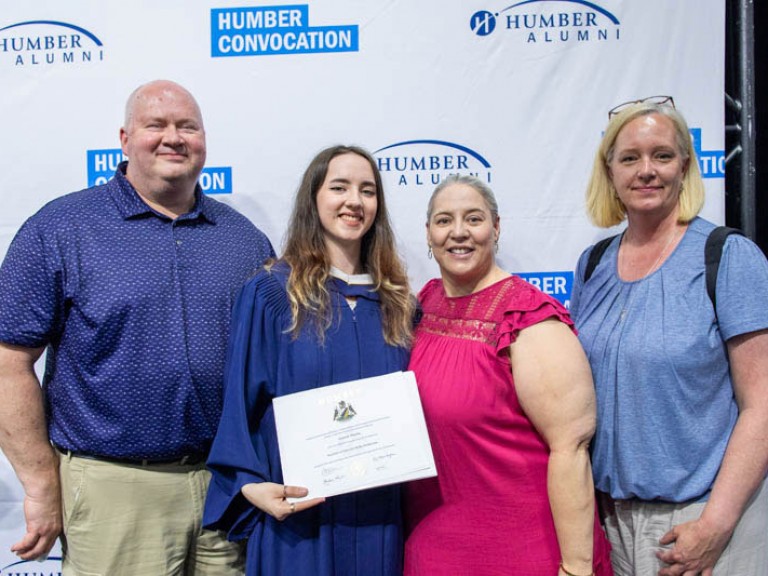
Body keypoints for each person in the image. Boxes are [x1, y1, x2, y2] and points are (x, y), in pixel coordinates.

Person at [0, 79, 274, 575]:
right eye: (156, 126)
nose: (174, 137)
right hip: (115, 491)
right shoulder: (61, 228)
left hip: (230, 490)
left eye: (187, 126)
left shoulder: (244, 241)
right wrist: (40, 484)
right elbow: (8, 364)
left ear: (204, 140)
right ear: (124, 139)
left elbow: (276, 364)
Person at [570, 96, 768, 575]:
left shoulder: (729, 256)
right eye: (630, 158)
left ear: (685, 165)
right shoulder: (592, 265)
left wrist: (715, 524)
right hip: (612, 521)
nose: (646, 171)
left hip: (703, 519)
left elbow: (762, 403)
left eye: (661, 155)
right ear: (610, 171)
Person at [203, 145, 414, 576]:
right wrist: (250, 486)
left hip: (380, 521)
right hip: (300, 522)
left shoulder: (399, 306)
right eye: (339, 187)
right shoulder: (274, 295)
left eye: (367, 191)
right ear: (313, 199)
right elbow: (240, 411)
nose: (354, 201)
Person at [404, 175, 612, 576]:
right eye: (444, 220)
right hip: (433, 546)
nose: (459, 232)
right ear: (428, 234)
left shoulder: (530, 318)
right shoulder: (424, 304)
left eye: (474, 219)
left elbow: (569, 449)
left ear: (496, 228)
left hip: (521, 551)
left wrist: (576, 568)